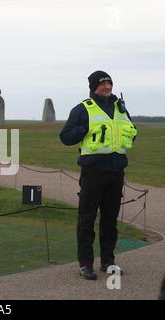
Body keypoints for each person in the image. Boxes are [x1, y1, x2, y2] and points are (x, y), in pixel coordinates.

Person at [60, 70, 137, 280]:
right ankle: (85, 264)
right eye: (102, 84)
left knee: (110, 220)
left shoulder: (121, 108)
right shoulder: (83, 109)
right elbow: (65, 137)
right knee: (87, 218)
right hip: (93, 173)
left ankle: (108, 262)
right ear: (94, 87)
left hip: (116, 172)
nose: (107, 87)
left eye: (109, 83)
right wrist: (85, 129)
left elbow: (130, 131)